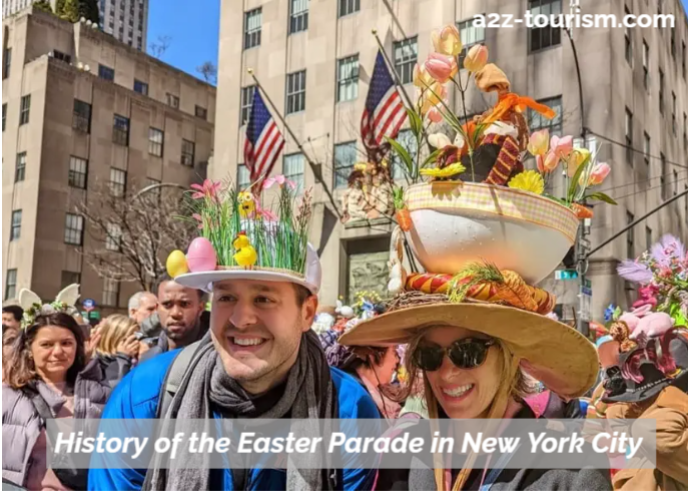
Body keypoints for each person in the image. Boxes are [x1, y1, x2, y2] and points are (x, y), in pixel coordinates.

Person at [88, 179, 380, 491]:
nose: (241, 320)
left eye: (264, 299)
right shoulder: (144, 395)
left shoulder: (348, 410)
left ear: (307, 313)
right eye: (226, 298)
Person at [2, 285, 110, 490]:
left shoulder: (99, 394)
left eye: (66, 343)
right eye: (47, 344)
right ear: (29, 349)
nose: (58, 351)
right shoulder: (7, 396)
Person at [138, 276, 207, 363]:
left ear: (200, 308)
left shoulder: (219, 359)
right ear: (157, 308)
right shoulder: (148, 360)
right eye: (167, 304)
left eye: (184, 304)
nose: (175, 313)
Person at [326, 343, 402, 419]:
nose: (397, 360)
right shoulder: (357, 397)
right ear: (374, 356)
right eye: (394, 352)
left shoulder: (368, 389)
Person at [95, 314, 141, 388]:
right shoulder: (97, 364)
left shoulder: (133, 361)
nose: (136, 343)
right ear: (114, 339)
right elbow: (116, 389)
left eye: (137, 338)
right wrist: (123, 357)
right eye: (131, 339)